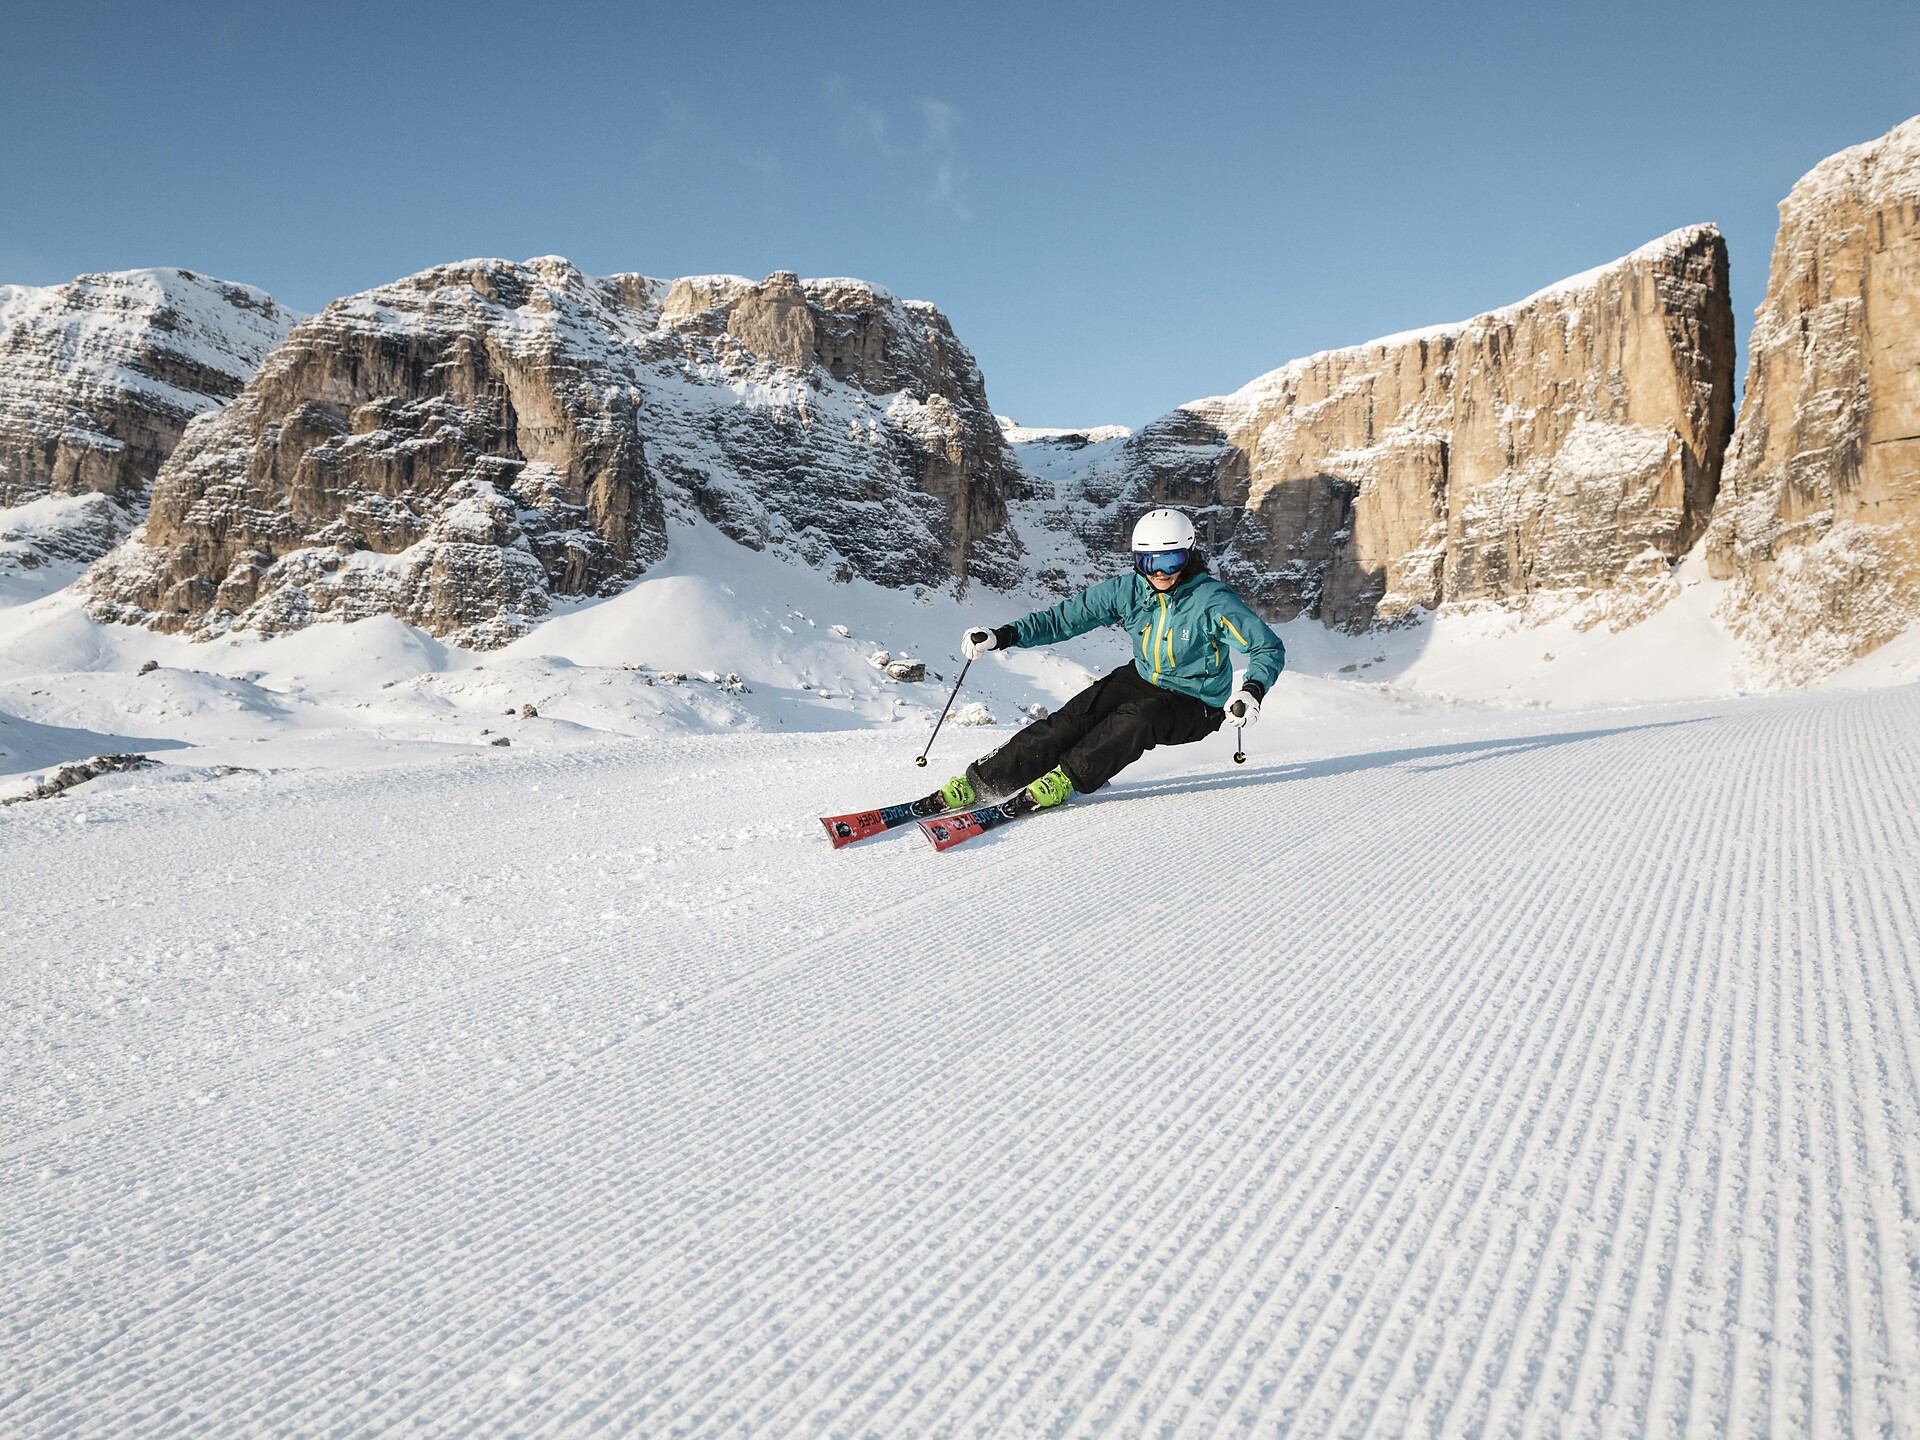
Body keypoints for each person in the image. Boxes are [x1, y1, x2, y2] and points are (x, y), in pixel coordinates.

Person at [939, 507, 1285, 815]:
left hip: (1198, 700)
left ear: (1188, 556)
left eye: (1171, 562)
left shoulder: (1212, 600)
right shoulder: (1129, 590)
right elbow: (1066, 618)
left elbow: (1266, 648)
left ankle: (1066, 778)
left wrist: (1251, 691)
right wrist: (1004, 636)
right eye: (1150, 563)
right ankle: (984, 782)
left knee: (1138, 718)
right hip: (1143, 677)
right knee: (1071, 721)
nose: (1160, 573)